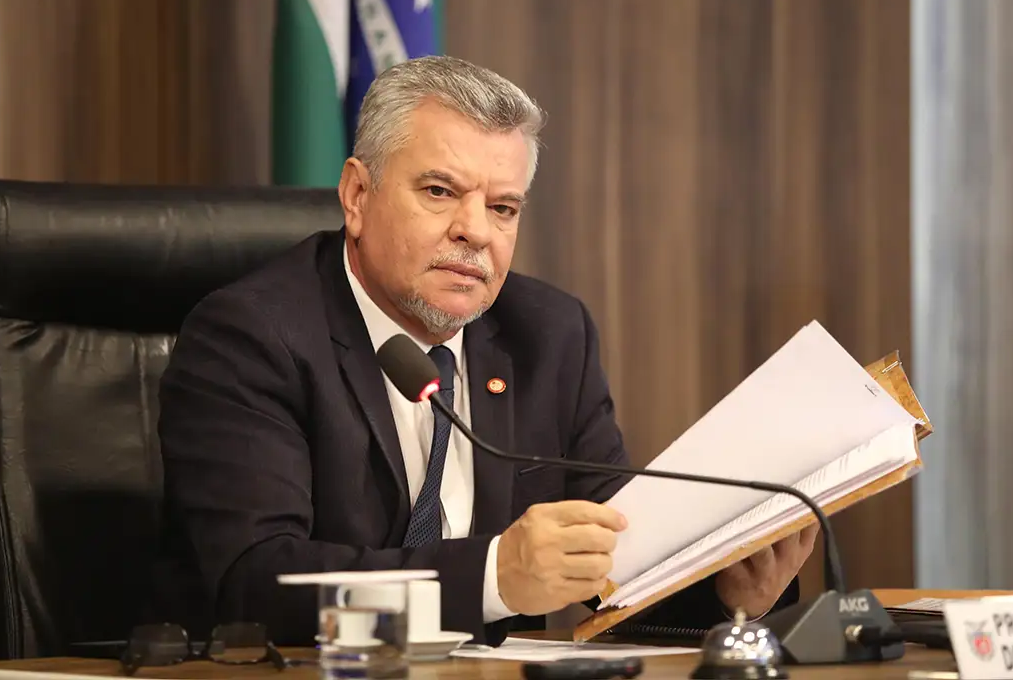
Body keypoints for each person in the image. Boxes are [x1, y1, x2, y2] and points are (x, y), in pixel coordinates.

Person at [150, 55, 815, 646]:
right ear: (357, 195)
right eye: (440, 192)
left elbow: (614, 565)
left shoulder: (548, 335)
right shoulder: (253, 335)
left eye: (503, 208)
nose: (475, 231)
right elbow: (256, 583)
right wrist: (494, 577)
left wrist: (730, 597)